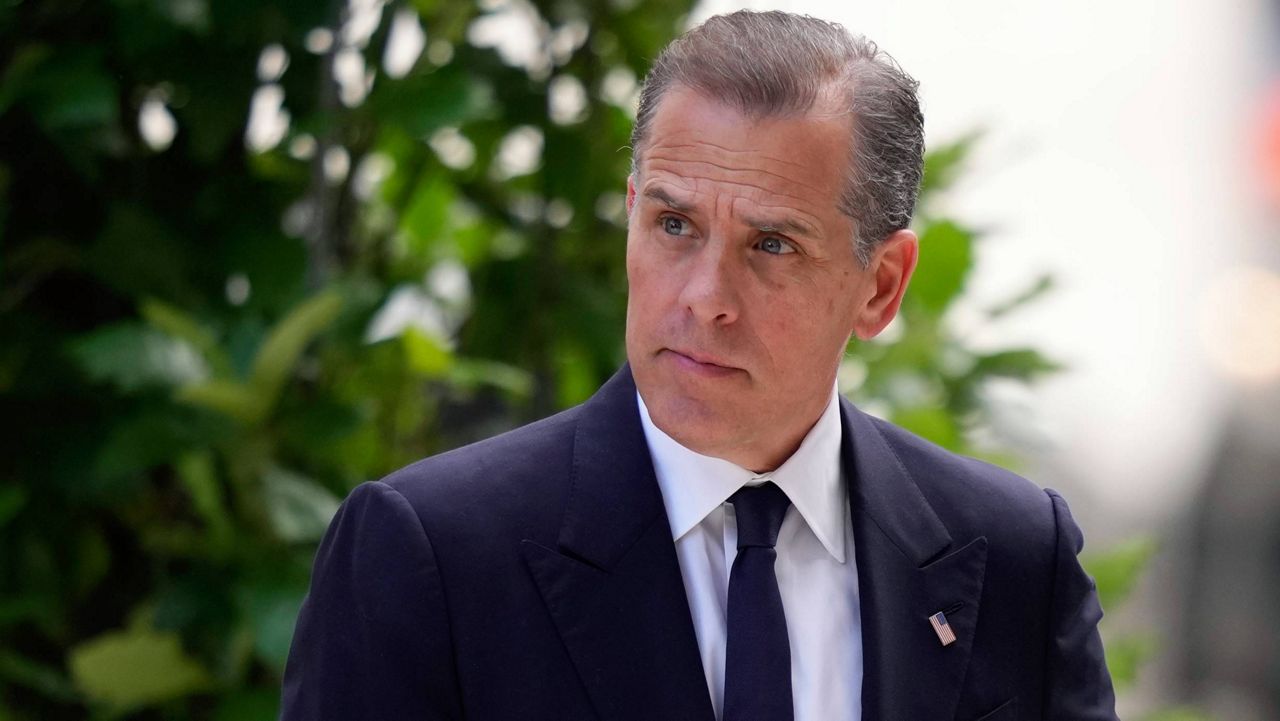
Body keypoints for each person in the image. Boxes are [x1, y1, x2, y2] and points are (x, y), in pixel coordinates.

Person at [280, 10, 1118, 721]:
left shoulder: (1015, 555)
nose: (705, 298)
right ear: (633, 216)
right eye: (675, 226)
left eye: (772, 244)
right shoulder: (434, 554)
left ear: (881, 285)